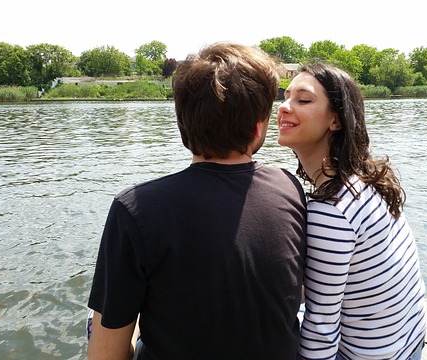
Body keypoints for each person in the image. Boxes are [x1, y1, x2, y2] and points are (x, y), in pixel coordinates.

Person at [86, 42, 307, 360]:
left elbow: (105, 357)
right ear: (258, 127)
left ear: (182, 122)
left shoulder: (134, 208)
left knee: (99, 318)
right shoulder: (288, 186)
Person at [277, 63, 427, 360]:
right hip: (409, 341)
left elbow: (321, 324)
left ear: (336, 120)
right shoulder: (365, 179)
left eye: (303, 100)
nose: (284, 107)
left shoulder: (332, 210)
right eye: (285, 96)